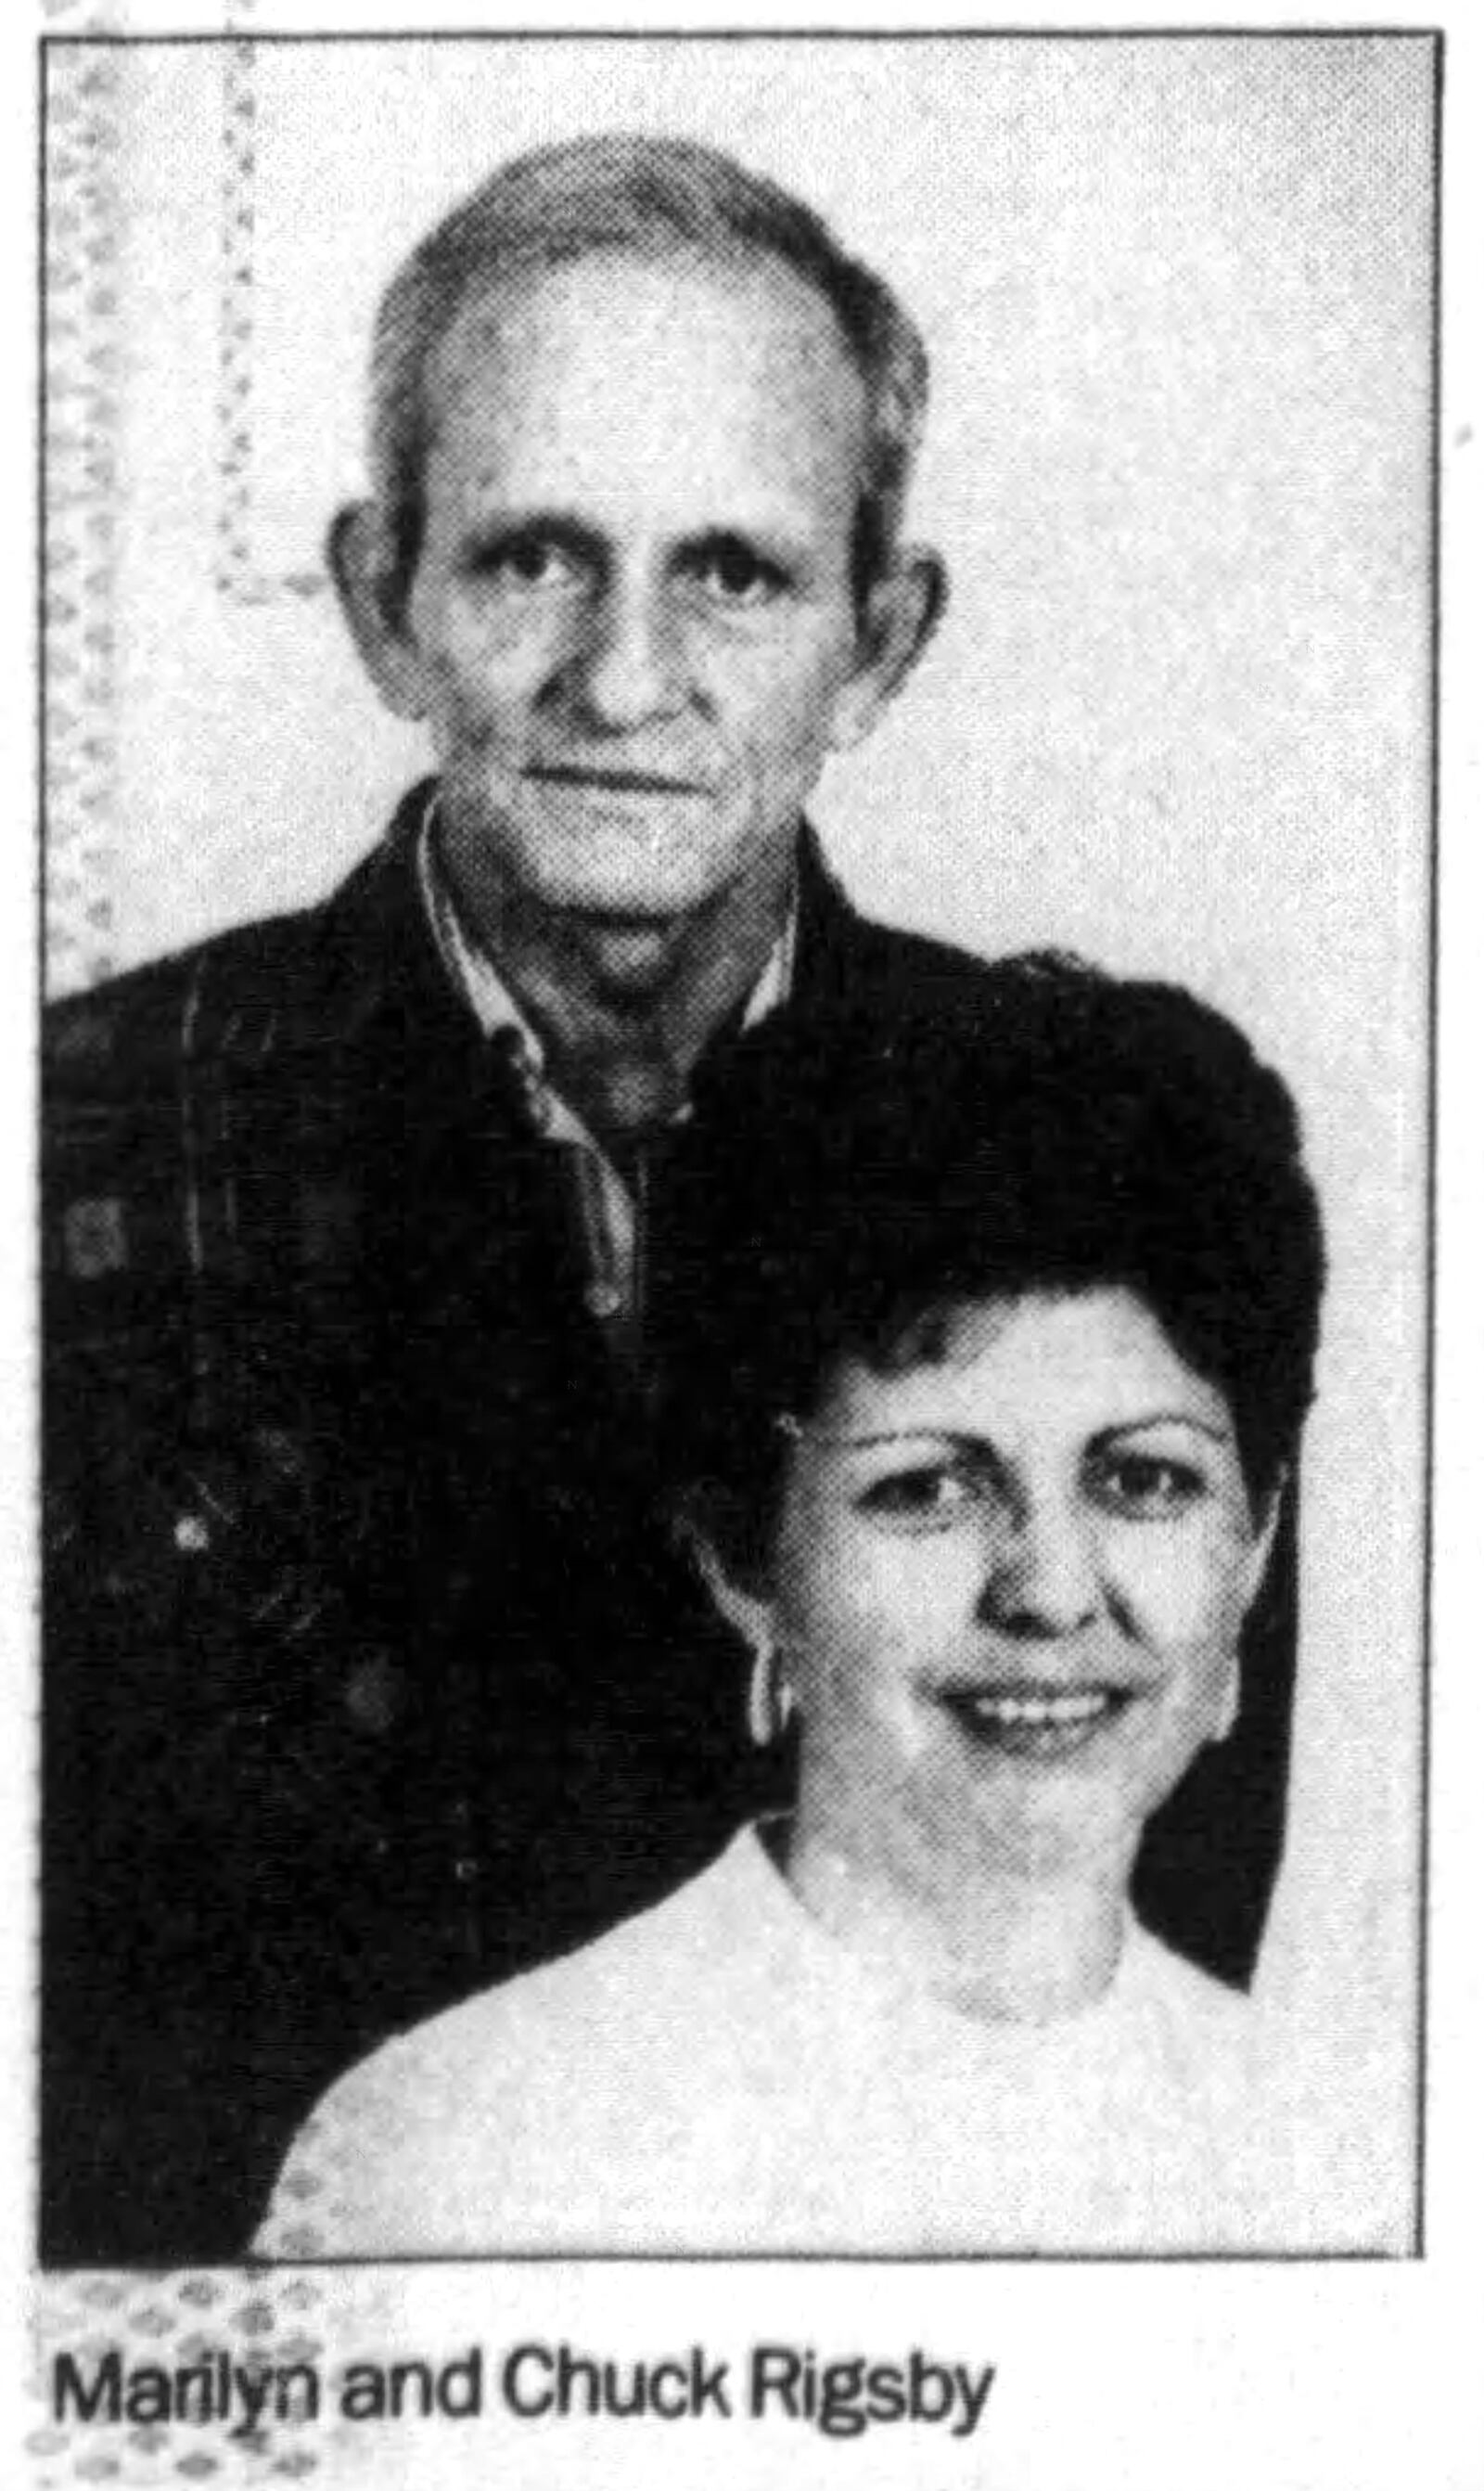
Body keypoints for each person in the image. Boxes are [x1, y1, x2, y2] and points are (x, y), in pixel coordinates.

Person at [43, 136, 1294, 2265]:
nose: (625, 677)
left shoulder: (1098, 1143)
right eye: (533, 556)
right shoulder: (71, 1135)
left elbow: (1125, 1888)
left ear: (880, 638)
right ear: (380, 600)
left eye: (733, 571)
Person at [254, 958, 1369, 2258]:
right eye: (929, 1486)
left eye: (1146, 1478)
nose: (1052, 1590)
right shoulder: (452, 2154)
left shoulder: (1322, 2155)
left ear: (1257, 1538)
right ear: (742, 1554)